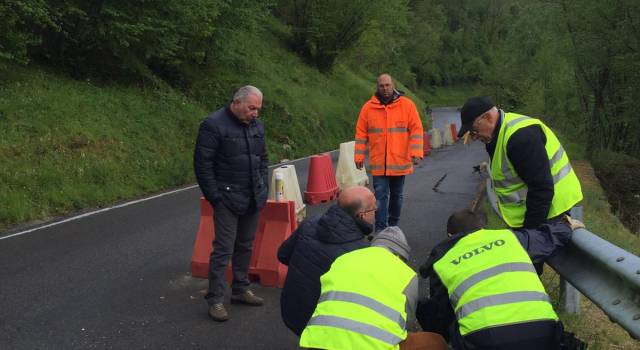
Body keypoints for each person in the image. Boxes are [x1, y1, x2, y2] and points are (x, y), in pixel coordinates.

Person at [417, 209, 584, 349]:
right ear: (482, 228)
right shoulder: (509, 238)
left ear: (449, 235)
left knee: (434, 309)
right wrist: (566, 226)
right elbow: (545, 239)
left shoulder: (443, 260)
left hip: (484, 340)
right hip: (544, 332)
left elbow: (441, 315)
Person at [300, 226, 447, 350]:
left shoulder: (343, 259)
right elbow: (406, 323)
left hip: (317, 341)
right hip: (373, 346)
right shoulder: (406, 274)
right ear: (401, 255)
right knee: (436, 342)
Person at [193, 85, 268, 322]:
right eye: (251, 108)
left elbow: (263, 158)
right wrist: (215, 197)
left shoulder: (257, 126)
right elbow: (202, 164)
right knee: (223, 248)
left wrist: (262, 186)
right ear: (237, 102)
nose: (255, 113)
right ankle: (215, 299)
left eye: (258, 109)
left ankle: (240, 289)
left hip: (252, 196)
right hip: (226, 197)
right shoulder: (213, 124)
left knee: (245, 245)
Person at [457, 96, 583, 229]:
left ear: (487, 117)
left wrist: (529, 233)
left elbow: (541, 189)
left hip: (551, 214)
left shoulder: (520, 138)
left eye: (474, 130)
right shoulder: (499, 135)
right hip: (539, 214)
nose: (475, 136)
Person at [277, 186, 376, 336]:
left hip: (291, 309)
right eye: (374, 209)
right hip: (324, 326)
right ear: (362, 215)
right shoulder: (359, 252)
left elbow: (283, 255)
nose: (376, 212)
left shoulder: (310, 222)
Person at [354, 74, 424, 232]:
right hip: (379, 164)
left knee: (397, 197)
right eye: (381, 86)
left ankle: (393, 227)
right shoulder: (368, 108)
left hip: (399, 162)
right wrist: (358, 156)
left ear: (393, 85)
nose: (385, 89)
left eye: (387, 85)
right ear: (377, 87)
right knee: (380, 197)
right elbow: (361, 134)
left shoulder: (407, 106)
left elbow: (416, 130)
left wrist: (416, 152)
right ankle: (380, 230)